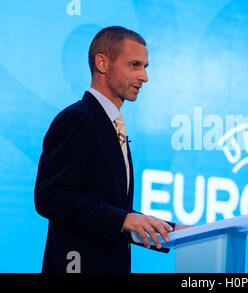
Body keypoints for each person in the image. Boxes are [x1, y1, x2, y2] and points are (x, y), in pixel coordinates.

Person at [34, 26, 190, 273]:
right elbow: (51, 197)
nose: (144, 77)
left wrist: (171, 230)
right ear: (102, 63)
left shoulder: (111, 125)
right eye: (134, 65)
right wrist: (124, 219)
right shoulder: (78, 119)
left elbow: (109, 208)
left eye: (145, 67)